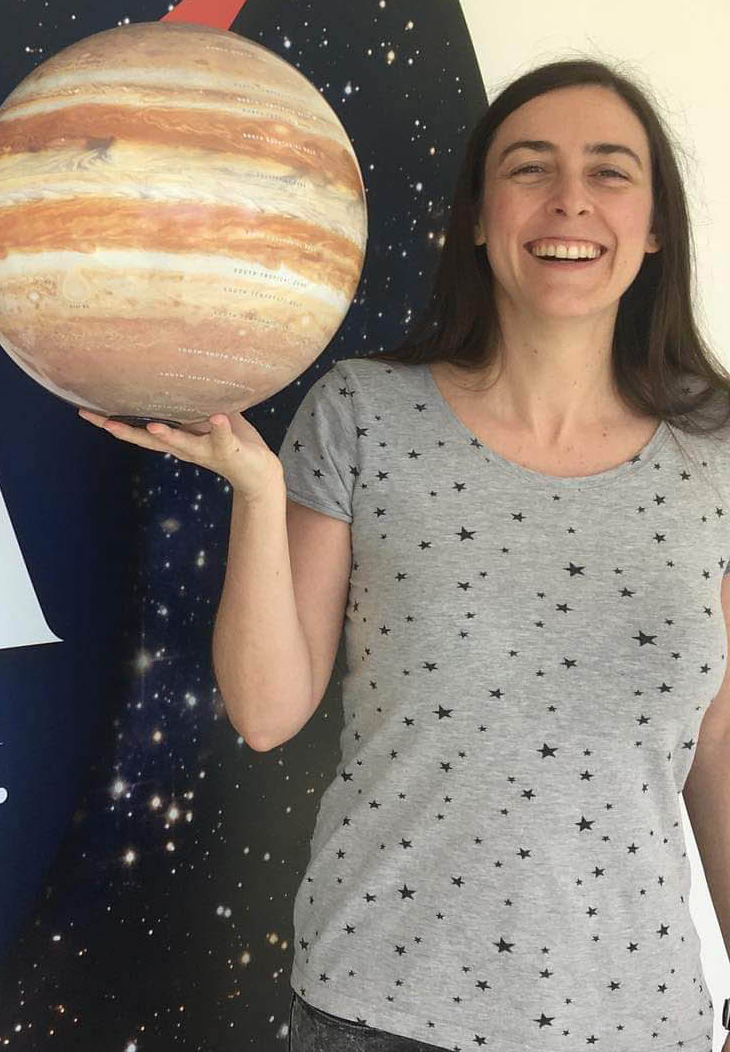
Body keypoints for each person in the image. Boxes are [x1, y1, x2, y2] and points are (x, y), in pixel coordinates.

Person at [79, 58, 730, 1052]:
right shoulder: (364, 415)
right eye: (529, 168)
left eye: (609, 172)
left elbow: (718, 746)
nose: (569, 201)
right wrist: (256, 494)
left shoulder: (716, 449)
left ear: (656, 227)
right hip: (384, 1013)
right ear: (477, 216)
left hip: (644, 1022)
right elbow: (265, 711)